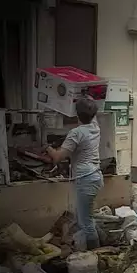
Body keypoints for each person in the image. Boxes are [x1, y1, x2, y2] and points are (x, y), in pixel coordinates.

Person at [46, 98, 103, 250]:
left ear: (76, 114)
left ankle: (96, 254)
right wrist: (89, 98)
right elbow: (93, 113)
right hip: (95, 177)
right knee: (84, 217)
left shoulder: (76, 133)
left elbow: (58, 157)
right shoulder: (95, 127)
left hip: (86, 179)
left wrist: (48, 148)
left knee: (85, 222)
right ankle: (92, 246)